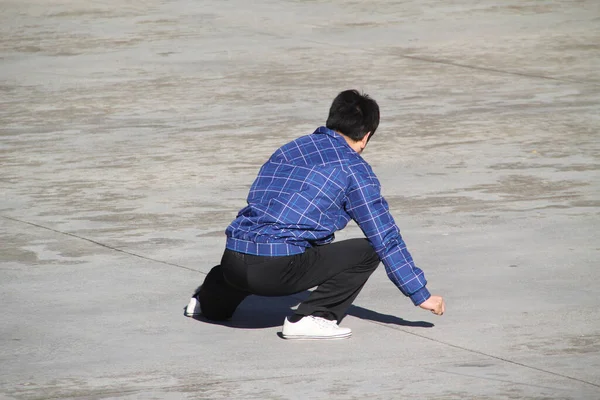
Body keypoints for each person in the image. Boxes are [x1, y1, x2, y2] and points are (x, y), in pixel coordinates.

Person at [184, 89, 445, 340]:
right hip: (275, 272)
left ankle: (206, 301)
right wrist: (420, 294)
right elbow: (384, 236)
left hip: (232, 259)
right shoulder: (354, 169)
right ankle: (313, 318)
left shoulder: (292, 148)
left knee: (259, 247)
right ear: (366, 136)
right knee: (367, 251)